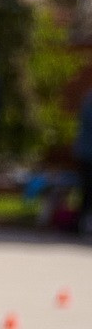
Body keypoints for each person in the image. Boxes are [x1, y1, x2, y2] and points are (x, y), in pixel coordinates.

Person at [73, 88, 92, 237]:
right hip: (87, 153)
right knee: (87, 190)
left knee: (86, 191)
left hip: (84, 151)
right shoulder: (89, 100)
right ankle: (83, 223)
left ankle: (83, 223)